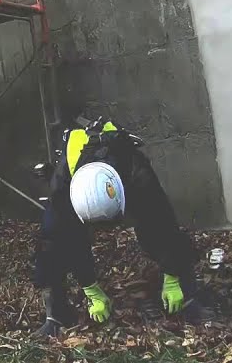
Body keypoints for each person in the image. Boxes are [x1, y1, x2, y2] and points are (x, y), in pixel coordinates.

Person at [32, 118, 207, 337]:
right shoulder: (64, 189)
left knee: (156, 229)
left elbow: (164, 225)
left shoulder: (138, 175)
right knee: (52, 240)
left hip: (125, 175)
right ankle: (56, 313)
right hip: (74, 181)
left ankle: (187, 295)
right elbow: (71, 239)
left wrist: (172, 276)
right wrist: (90, 288)